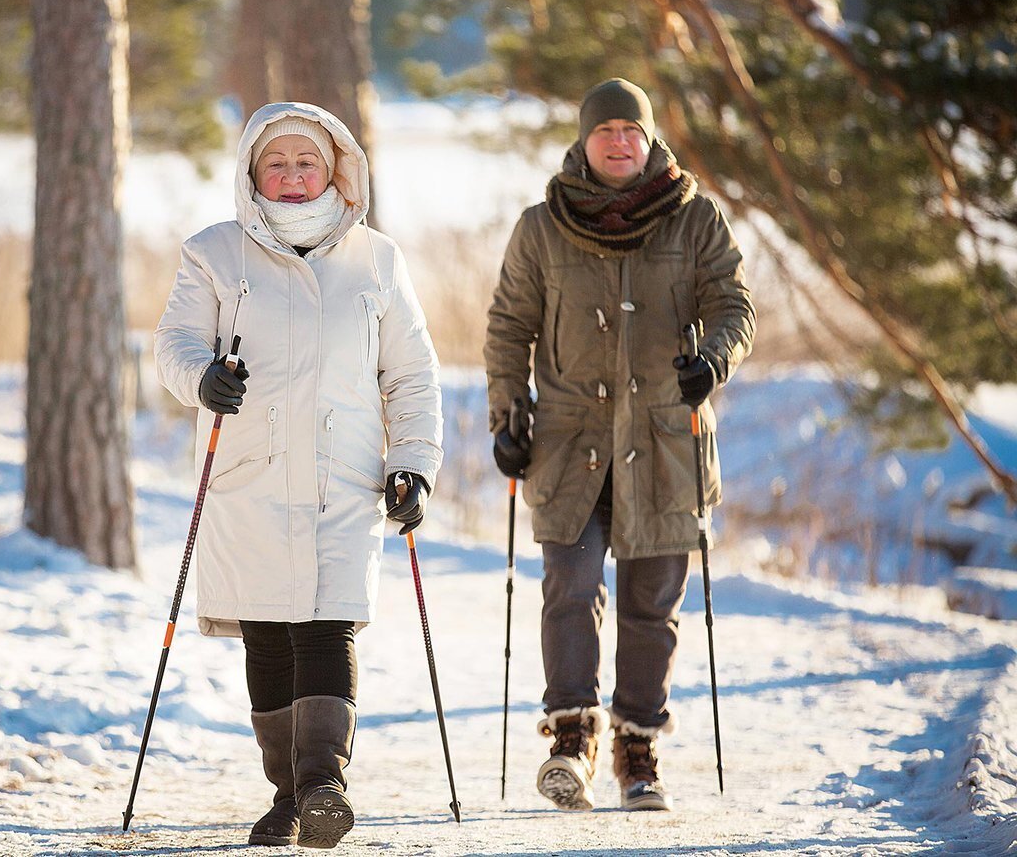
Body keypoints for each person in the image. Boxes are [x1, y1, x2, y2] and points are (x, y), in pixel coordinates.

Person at [154, 102, 443, 848]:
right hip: (249, 474)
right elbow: (175, 345)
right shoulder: (214, 254)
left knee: (326, 624)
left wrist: (413, 463)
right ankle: (288, 796)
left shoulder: (377, 259)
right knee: (266, 634)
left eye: (305, 162)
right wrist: (203, 378)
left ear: (335, 170)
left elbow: (410, 374)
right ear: (252, 174)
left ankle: (323, 784)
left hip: (343, 476)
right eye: (275, 163)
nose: (291, 175)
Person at [484, 78, 754, 813]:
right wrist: (508, 415)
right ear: (584, 140)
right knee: (570, 589)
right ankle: (572, 737)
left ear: (649, 138)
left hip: (665, 440)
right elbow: (509, 326)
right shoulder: (542, 226)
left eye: (630, 130)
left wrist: (713, 362)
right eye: (605, 130)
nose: (618, 141)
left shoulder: (695, 219)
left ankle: (638, 747)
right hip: (568, 444)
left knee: (651, 604)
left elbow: (733, 305)